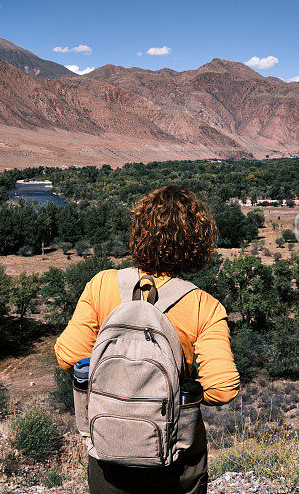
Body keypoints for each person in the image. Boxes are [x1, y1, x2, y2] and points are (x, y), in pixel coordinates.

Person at [55, 185, 240, 493]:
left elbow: (67, 357)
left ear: (139, 231)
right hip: (177, 456)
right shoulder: (202, 305)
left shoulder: (102, 285)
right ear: (198, 242)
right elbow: (222, 389)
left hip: (109, 453)